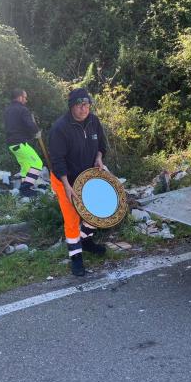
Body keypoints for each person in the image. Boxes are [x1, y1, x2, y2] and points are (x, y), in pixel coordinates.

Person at [48, 88, 108, 276]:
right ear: (71, 106)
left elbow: (101, 146)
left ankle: (87, 241)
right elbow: (57, 161)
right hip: (64, 179)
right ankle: (76, 258)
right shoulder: (60, 128)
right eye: (80, 105)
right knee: (72, 218)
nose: (84, 109)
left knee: (98, 210)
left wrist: (99, 157)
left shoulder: (94, 121)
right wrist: (66, 186)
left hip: (88, 175)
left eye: (87, 105)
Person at [4, 88, 43, 198]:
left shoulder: (8, 110)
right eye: (25, 97)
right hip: (19, 143)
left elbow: (16, 125)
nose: (26, 100)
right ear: (20, 97)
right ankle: (26, 189)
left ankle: (24, 189)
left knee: (26, 165)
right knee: (37, 163)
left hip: (12, 144)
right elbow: (29, 124)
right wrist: (37, 132)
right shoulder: (22, 109)